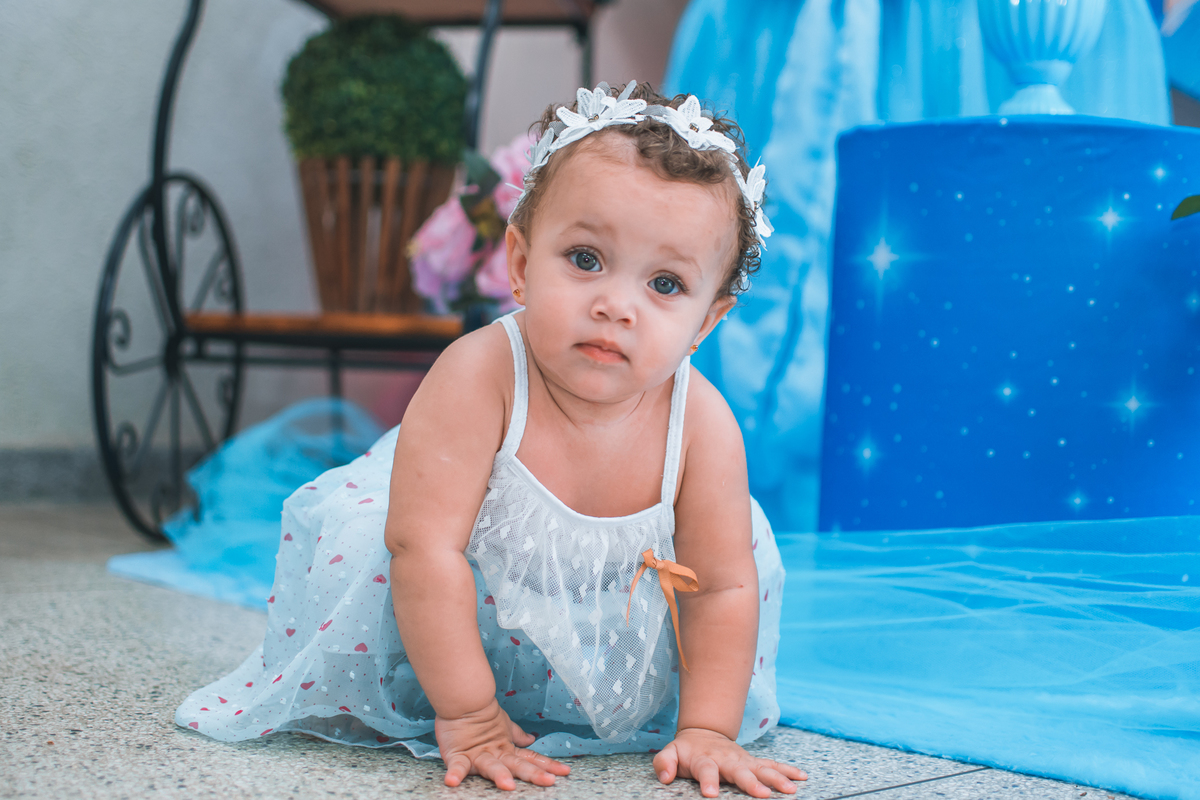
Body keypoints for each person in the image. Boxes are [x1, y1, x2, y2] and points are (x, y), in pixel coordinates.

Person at [176, 81, 802, 798]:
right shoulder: (481, 375)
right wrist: (469, 715)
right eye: (587, 259)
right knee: (393, 544)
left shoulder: (703, 424)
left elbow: (720, 587)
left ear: (708, 321)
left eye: (664, 283)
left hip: (608, 601)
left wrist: (708, 728)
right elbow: (426, 550)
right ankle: (465, 691)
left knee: (733, 554)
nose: (614, 305)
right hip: (446, 582)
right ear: (519, 264)